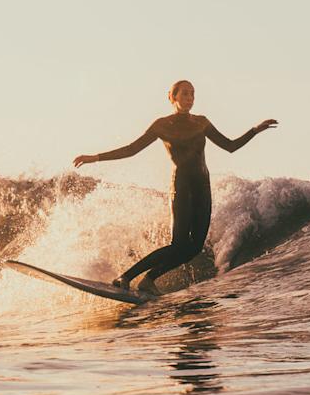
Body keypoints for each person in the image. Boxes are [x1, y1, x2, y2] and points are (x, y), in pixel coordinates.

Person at [73, 81, 277, 296]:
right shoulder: (162, 124)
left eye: (193, 94)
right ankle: (125, 277)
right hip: (181, 187)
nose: (190, 98)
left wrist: (255, 130)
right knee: (178, 244)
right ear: (172, 97)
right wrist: (95, 158)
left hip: (202, 188)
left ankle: (149, 279)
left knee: (195, 248)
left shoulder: (202, 122)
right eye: (185, 94)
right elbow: (132, 149)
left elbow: (230, 146)